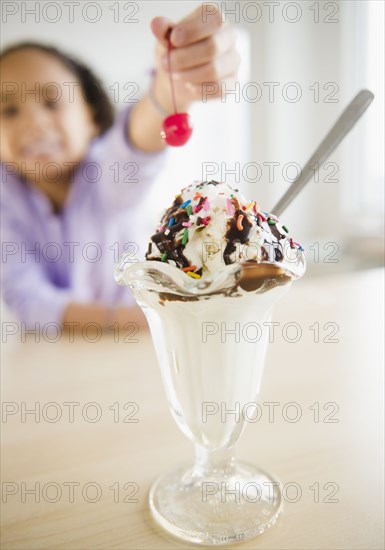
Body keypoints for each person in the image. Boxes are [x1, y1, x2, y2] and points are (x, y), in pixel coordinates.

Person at [0, 5, 239, 332]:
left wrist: (169, 92)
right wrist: (126, 321)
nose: (32, 123)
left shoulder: (106, 175)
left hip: (136, 356)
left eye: (52, 102)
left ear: (92, 116)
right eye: (9, 111)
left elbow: (134, 147)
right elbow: (26, 297)